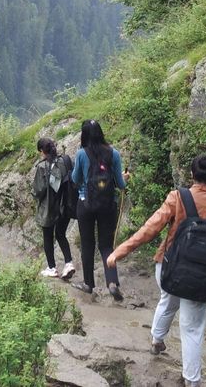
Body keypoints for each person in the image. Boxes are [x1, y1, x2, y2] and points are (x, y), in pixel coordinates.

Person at [107, 154, 206, 387]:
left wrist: (120, 252)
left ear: (192, 175)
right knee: (192, 328)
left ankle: (157, 340)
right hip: (201, 279)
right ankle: (192, 380)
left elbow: (150, 228)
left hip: (170, 270)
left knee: (167, 300)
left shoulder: (178, 197)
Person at [70, 119, 128, 301]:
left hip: (85, 204)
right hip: (108, 205)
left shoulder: (81, 154)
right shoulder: (114, 154)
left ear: (84, 135)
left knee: (88, 244)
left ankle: (88, 284)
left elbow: (75, 179)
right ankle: (112, 282)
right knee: (106, 245)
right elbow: (120, 184)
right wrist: (125, 177)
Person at [33, 138, 75, 280]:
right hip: (66, 204)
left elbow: (39, 190)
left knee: (48, 236)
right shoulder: (65, 160)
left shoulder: (42, 167)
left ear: (42, 151)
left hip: (49, 207)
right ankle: (69, 263)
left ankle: (52, 267)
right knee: (61, 234)